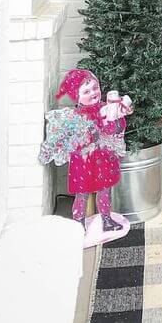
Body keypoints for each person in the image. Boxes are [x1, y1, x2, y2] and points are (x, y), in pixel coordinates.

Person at [55, 68, 131, 231]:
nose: (93, 93)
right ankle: (78, 223)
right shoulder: (76, 116)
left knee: (105, 189)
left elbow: (115, 129)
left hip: (103, 158)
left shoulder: (106, 108)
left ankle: (106, 219)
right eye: (87, 91)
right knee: (82, 193)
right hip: (83, 161)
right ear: (78, 96)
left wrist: (118, 119)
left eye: (95, 88)